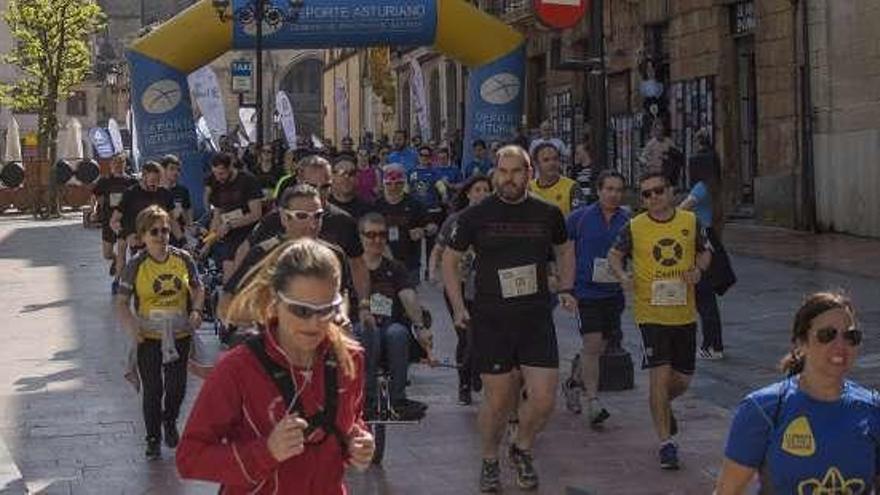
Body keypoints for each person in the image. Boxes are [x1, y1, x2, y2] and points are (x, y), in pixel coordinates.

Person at [176, 239, 374, 493]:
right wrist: (266, 451)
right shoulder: (237, 369)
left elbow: (352, 422)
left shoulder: (349, 359)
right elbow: (190, 459)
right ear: (275, 302)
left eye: (327, 310)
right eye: (301, 311)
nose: (315, 323)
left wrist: (358, 442)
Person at [443, 145, 576, 492]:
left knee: (544, 399)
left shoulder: (547, 214)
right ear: (494, 174)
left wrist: (566, 286)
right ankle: (489, 459)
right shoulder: (475, 215)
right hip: (492, 319)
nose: (509, 179)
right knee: (499, 400)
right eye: (503, 172)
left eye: (517, 172)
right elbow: (449, 262)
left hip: (535, 317)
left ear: (529, 174)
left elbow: (564, 249)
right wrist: (459, 307)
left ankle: (521, 447)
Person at [716, 291, 880, 494]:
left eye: (851, 336)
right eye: (827, 335)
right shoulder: (763, 410)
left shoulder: (872, 408)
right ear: (801, 344)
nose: (841, 345)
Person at [607, 170, 711, 470]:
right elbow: (614, 255)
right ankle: (666, 443)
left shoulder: (690, 222)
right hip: (649, 314)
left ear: (671, 192)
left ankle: (661, 406)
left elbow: (705, 253)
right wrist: (623, 275)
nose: (653, 197)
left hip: (684, 313)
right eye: (647, 194)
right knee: (659, 377)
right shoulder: (634, 227)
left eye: (659, 191)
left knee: (682, 380)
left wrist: (698, 270)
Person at [238, 155, 374, 332]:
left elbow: (357, 267)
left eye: (325, 187)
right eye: (312, 186)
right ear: (299, 182)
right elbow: (245, 254)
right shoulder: (276, 219)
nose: (319, 192)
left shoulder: (344, 221)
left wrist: (363, 306)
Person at [116, 205, 204, 459]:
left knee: (177, 387)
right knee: (153, 388)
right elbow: (121, 302)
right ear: (142, 236)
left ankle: (170, 420)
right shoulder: (136, 266)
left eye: (165, 230)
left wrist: (197, 311)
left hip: (179, 334)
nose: (161, 235)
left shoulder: (183, 259)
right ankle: (152, 438)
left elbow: (198, 288)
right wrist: (132, 327)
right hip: (148, 336)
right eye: (154, 231)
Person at [561, 170, 629, 425]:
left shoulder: (628, 220)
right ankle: (593, 401)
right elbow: (561, 248)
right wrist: (563, 285)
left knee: (599, 347)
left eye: (618, 190)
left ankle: (573, 382)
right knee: (591, 344)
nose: (613, 194)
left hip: (613, 292)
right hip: (586, 292)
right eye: (609, 189)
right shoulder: (579, 219)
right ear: (599, 191)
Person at [357, 212, 433, 421]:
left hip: (389, 325)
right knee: (367, 331)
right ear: (360, 237)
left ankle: (398, 399)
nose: (377, 240)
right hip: (359, 328)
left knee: (399, 333)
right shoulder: (350, 268)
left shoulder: (395, 268)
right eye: (370, 235)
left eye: (382, 235)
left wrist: (420, 327)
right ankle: (367, 400)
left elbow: (408, 296)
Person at [429, 175, 492, 405]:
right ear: (468, 193)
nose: (482, 194)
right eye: (478, 189)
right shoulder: (455, 220)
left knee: (482, 335)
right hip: (458, 285)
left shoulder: (494, 220)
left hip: (486, 287)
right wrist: (434, 274)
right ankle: (464, 383)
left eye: (486, 190)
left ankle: (476, 371)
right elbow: (438, 249)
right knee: (466, 336)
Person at [680, 129, 725, 360]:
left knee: (703, 296)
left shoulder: (701, 187)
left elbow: (683, 208)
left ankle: (711, 345)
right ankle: (714, 344)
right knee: (707, 297)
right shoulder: (715, 186)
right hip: (711, 237)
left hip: (701, 239)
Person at [204, 153, 264, 281]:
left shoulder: (248, 181)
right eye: (215, 173)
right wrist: (208, 243)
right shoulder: (216, 183)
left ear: (231, 167)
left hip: (250, 232)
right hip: (230, 234)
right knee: (229, 276)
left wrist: (231, 224)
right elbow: (217, 216)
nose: (219, 177)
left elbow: (256, 214)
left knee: (244, 274)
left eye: (222, 173)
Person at [116, 161, 178, 275]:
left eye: (159, 181)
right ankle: (118, 280)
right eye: (153, 181)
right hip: (135, 235)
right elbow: (115, 220)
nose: (156, 185)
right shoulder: (130, 193)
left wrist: (182, 240)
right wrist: (127, 234)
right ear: (143, 176)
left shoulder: (164, 194)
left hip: (158, 236)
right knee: (129, 262)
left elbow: (173, 221)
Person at [374, 163, 431, 286]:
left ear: (404, 183)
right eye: (389, 183)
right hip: (382, 262)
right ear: (383, 184)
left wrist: (423, 231)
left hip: (409, 264)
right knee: (384, 301)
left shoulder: (415, 204)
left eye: (398, 183)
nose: (393, 187)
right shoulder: (375, 206)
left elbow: (432, 227)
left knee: (409, 300)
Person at [90, 152, 137, 281]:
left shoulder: (132, 181)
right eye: (115, 162)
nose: (118, 165)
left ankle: (119, 279)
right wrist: (93, 211)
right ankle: (115, 260)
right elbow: (95, 196)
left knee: (123, 251)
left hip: (126, 221)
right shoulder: (104, 181)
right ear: (110, 165)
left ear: (125, 164)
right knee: (107, 254)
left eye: (121, 162)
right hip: (108, 220)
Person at [528, 142, 583, 217]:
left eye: (555, 159)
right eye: (546, 160)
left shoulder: (572, 187)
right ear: (536, 164)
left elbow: (579, 219)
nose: (552, 163)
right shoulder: (528, 189)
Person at [160, 154, 193, 249]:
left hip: (179, 234)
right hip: (160, 234)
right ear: (163, 170)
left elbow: (188, 210)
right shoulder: (156, 191)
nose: (176, 172)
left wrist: (190, 226)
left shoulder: (183, 191)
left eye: (178, 170)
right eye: (172, 169)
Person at [329, 155, 374, 220]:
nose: (346, 177)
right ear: (332, 177)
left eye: (351, 173)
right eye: (341, 173)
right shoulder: (321, 208)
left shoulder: (368, 210)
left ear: (357, 177)